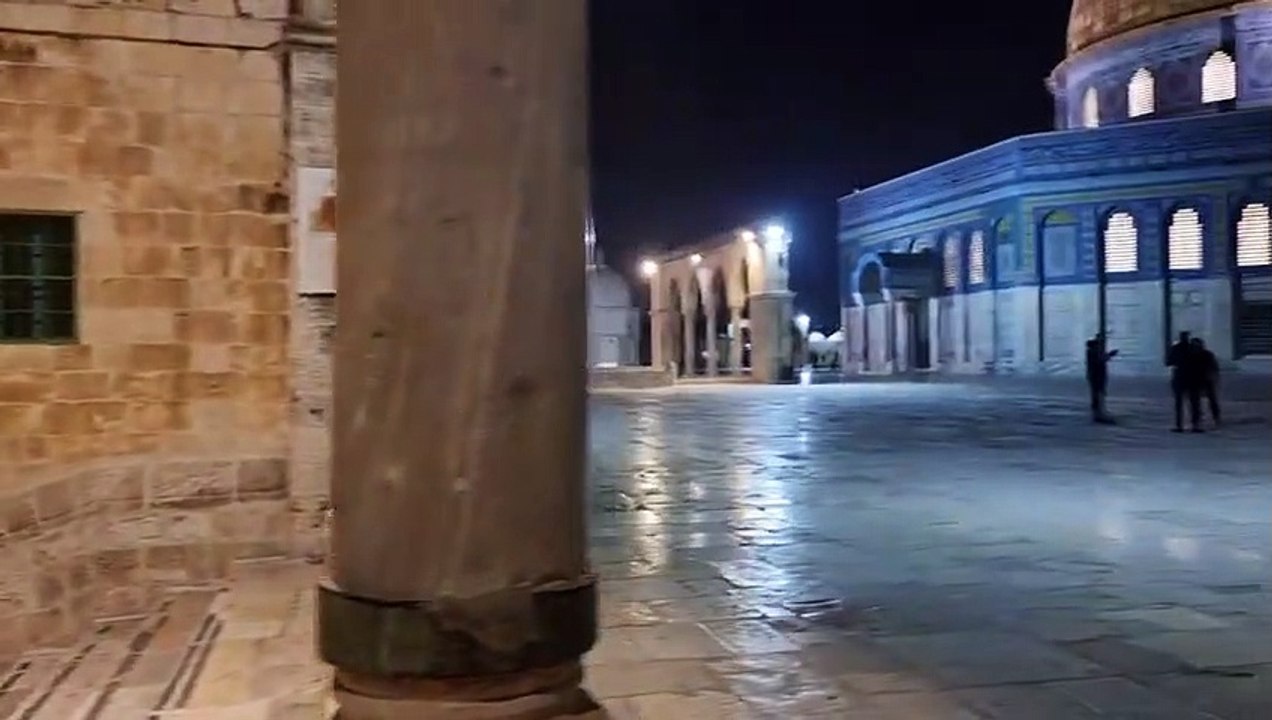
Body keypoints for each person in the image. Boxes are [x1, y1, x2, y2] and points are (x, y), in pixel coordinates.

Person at [1166, 331, 1202, 432]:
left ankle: (1179, 425)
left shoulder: (1176, 348)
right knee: (1194, 403)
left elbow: (1168, 362)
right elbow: (1199, 362)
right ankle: (1195, 425)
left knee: (1179, 403)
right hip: (1193, 378)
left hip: (1179, 377)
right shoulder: (1193, 348)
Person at [1085, 334, 1119, 423]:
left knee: (1098, 394)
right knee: (1098, 394)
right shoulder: (1093, 352)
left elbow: (1101, 359)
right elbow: (1101, 360)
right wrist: (1110, 354)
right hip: (1097, 376)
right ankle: (1098, 414)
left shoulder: (1092, 352)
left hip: (1096, 376)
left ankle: (1098, 412)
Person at [1191, 337, 1221, 428]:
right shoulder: (1194, 355)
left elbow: (1214, 367)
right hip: (1197, 380)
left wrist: (1213, 376)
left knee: (1210, 400)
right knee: (1196, 401)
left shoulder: (1205, 355)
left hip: (1204, 379)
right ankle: (1197, 419)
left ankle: (1215, 417)